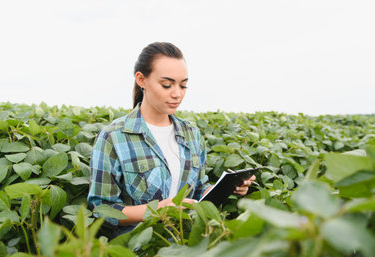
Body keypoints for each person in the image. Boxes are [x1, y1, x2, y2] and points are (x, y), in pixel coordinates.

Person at [87, 42, 255, 233]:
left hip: (188, 243)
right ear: (141, 80)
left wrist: (229, 187)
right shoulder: (114, 137)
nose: (177, 94)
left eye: (183, 85)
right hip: (140, 250)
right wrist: (157, 210)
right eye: (166, 85)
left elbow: (199, 191)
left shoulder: (191, 134)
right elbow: (102, 210)